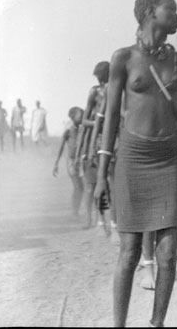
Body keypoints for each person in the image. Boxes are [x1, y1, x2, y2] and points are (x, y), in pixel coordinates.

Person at [94, 0, 177, 328]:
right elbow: (112, 117)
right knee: (128, 253)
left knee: (168, 254)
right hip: (133, 158)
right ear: (148, 13)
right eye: (171, 10)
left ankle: (156, 325)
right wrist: (101, 175)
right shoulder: (122, 58)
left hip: (168, 158)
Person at [75, 61, 110, 230]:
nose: (100, 79)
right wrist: (99, 121)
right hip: (97, 142)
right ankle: (91, 219)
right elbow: (83, 120)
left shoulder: (119, 88)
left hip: (114, 138)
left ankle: (105, 220)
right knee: (92, 186)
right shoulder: (95, 92)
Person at [53, 107, 85, 218]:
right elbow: (61, 148)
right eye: (80, 116)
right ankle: (75, 211)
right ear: (72, 117)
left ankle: (76, 210)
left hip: (80, 161)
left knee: (81, 187)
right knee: (78, 187)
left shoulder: (83, 130)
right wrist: (56, 164)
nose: (82, 117)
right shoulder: (68, 131)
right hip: (71, 162)